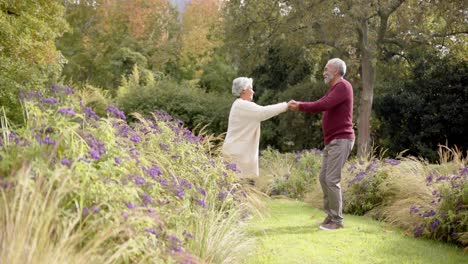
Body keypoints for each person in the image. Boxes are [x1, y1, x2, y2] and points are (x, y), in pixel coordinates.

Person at [288, 58, 355, 230]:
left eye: (327, 69)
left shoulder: (343, 86)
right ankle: (331, 216)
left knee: (332, 179)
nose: (324, 72)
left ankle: (337, 221)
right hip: (333, 140)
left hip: (341, 139)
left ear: (337, 71)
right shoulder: (334, 88)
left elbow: (322, 104)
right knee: (324, 178)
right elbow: (324, 104)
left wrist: (300, 106)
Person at [222, 77, 288, 183]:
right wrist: (286, 106)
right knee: (241, 189)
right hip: (238, 155)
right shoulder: (242, 105)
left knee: (242, 190)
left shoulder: (240, 105)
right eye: (250, 88)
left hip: (238, 153)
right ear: (243, 90)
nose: (253, 91)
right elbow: (263, 112)